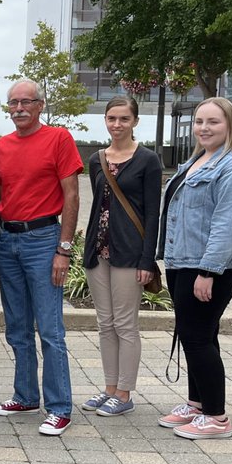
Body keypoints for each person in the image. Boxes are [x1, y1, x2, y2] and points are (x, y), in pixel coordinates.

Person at [158, 97, 232, 440]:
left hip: (210, 266)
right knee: (197, 333)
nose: (204, 128)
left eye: (213, 122)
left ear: (230, 125)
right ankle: (198, 404)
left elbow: (226, 225)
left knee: (197, 336)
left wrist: (209, 271)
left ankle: (216, 417)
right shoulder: (197, 160)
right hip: (184, 260)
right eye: (199, 121)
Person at [0, 79, 83, 437]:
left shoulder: (58, 139)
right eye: (13, 103)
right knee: (17, 328)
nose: (19, 108)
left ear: (40, 105)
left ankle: (59, 407)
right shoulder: (2, 146)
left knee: (50, 330)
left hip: (43, 239)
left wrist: (64, 248)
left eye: (27, 102)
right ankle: (25, 395)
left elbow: (71, 197)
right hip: (9, 240)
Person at [79, 96, 162, 418]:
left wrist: (147, 260)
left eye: (124, 119)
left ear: (135, 121)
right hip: (98, 251)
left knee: (126, 325)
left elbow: (153, 213)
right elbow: (98, 204)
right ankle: (110, 388)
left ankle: (125, 392)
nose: (117, 125)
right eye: (112, 118)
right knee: (105, 323)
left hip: (130, 253)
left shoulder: (148, 160)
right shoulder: (97, 159)